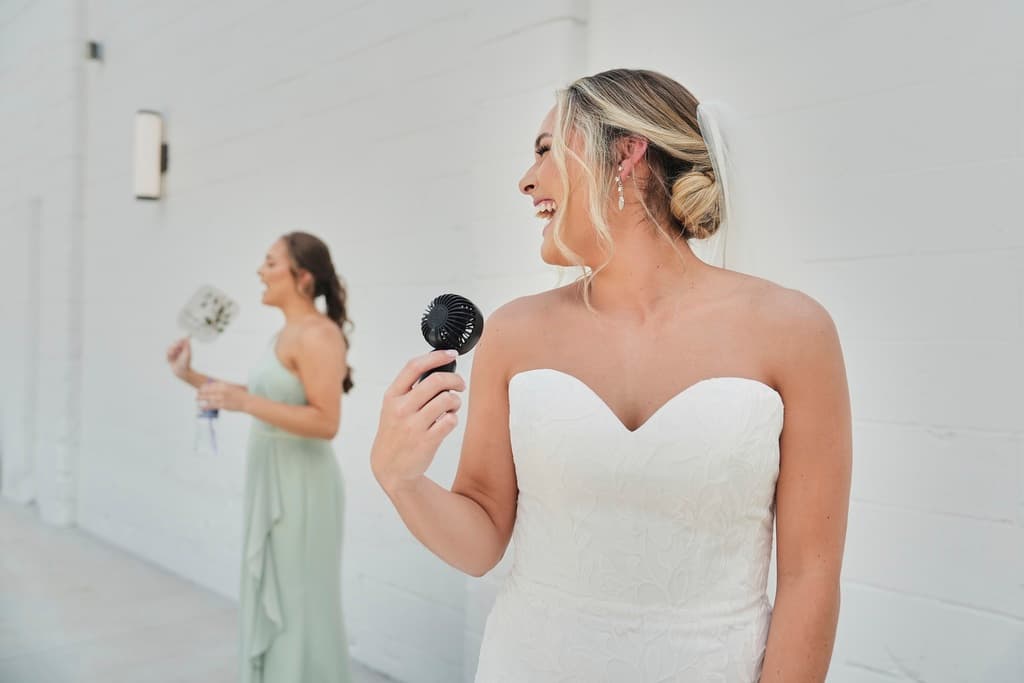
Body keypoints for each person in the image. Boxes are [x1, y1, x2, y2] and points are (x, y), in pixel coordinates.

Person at [370, 69, 851, 682]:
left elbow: (811, 574)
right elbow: (481, 540)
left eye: (545, 150)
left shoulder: (794, 330)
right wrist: (401, 479)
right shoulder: (515, 333)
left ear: (627, 155)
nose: (526, 180)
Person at [167, 231, 354, 683]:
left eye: (270, 262)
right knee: (280, 592)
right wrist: (189, 374)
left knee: (299, 600)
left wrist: (245, 405)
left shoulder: (319, 335)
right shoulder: (285, 334)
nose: (259, 271)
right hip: (271, 474)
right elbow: (265, 397)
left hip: (302, 486)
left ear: (303, 277)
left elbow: (326, 421)